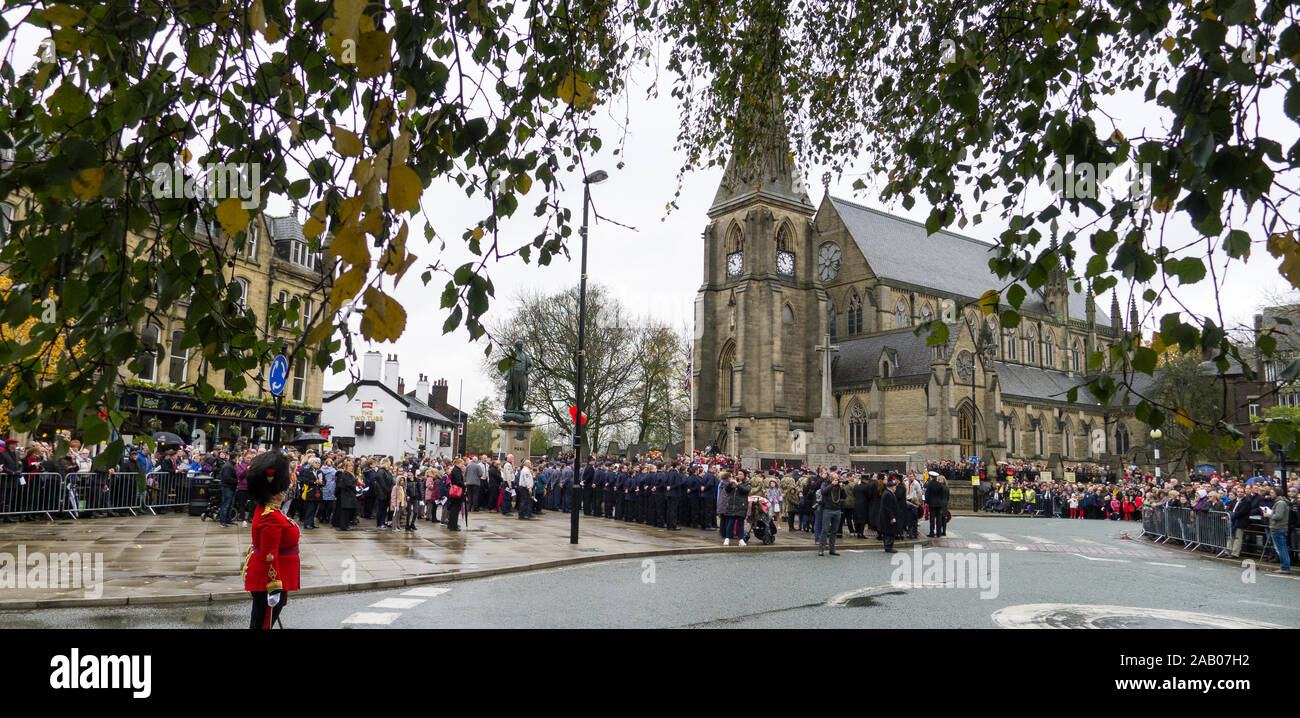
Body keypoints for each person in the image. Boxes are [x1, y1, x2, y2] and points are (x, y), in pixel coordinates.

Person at [243, 451, 300, 629]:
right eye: (281, 490)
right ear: (273, 493)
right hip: (272, 577)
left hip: (280, 573)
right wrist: (273, 585)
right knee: (262, 624)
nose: (284, 493)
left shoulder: (270, 511)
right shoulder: (271, 517)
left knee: (262, 623)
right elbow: (270, 555)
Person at [1263, 487, 1291, 574]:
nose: (1270, 494)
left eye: (1272, 492)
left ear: (1277, 493)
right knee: (1282, 548)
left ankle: (1285, 567)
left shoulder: (1280, 503)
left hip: (1278, 528)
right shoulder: (1281, 502)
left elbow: (1278, 516)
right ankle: (1285, 567)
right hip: (1279, 527)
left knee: (1281, 549)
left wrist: (1268, 515)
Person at [818, 473, 845, 557]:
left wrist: (842, 488)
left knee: (834, 531)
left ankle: (832, 549)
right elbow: (823, 492)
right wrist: (832, 485)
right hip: (827, 509)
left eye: (837, 478)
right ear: (831, 478)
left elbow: (844, 496)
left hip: (837, 510)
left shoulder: (838, 486)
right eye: (835, 478)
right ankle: (821, 550)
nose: (837, 480)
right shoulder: (825, 483)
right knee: (825, 530)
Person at [720, 471, 749, 546]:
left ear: (744, 476)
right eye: (738, 474)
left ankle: (741, 539)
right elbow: (727, 490)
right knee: (730, 523)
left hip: (741, 506)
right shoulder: (733, 483)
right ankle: (727, 538)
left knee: (740, 524)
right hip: (732, 506)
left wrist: (737, 484)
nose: (739, 475)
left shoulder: (747, 484)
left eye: (741, 474)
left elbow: (745, 490)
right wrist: (730, 483)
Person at [879, 474, 902, 553]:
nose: (895, 488)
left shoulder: (888, 493)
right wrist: (892, 517)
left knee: (889, 531)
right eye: (895, 487)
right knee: (889, 532)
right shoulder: (888, 494)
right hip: (888, 517)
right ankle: (888, 547)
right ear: (891, 487)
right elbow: (888, 507)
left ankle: (888, 546)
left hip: (887, 517)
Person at [924, 471, 948, 537]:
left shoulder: (929, 484)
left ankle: (931, 532)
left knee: (932, 519)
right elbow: (942, 495)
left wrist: (926, 502)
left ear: (931, 477)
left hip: (932, 504)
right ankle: (938, 533)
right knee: (939, 519)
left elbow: (927, 494)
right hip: (939, 504)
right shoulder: (940, 485)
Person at [446, 458, 467, 531]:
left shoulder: (454, 470)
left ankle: (451, 525)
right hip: (457, 491)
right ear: (458, 463)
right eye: (462, 463)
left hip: (454, 490)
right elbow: (458, 481)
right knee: (455, 509)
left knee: (454, 509)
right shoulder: (456, 471)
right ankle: (453, 526)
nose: (463, 465)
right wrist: (464, 485)